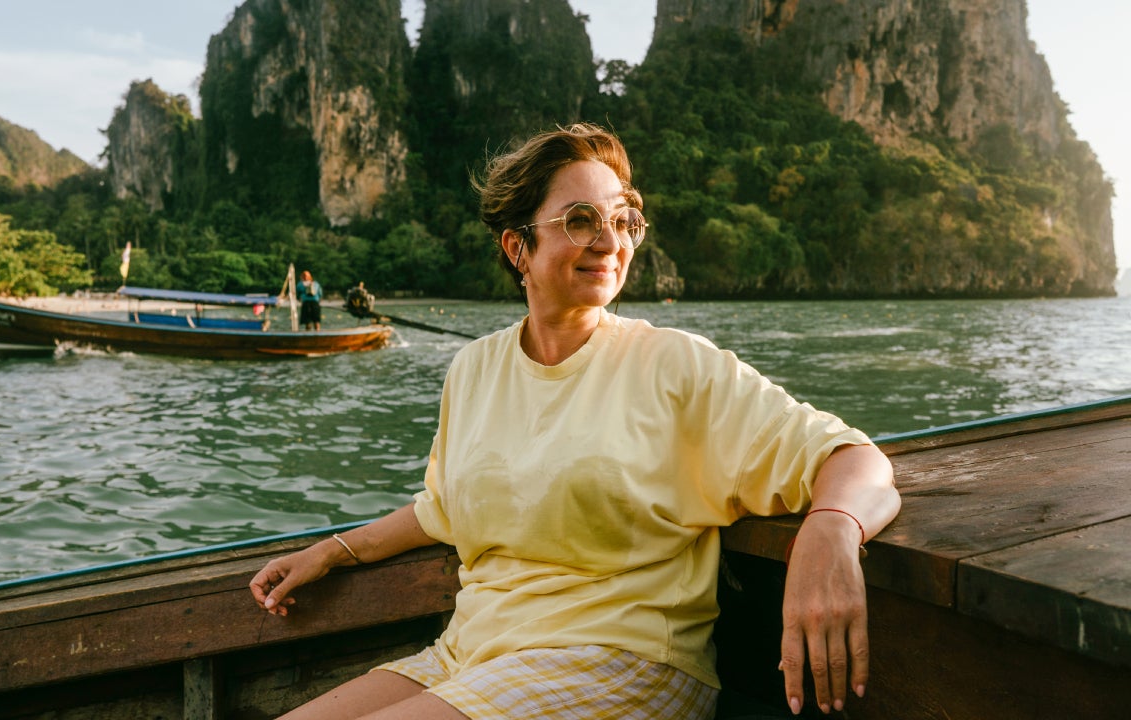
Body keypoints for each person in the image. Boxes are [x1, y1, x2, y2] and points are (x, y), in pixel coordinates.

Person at [250, 123, 901, 719]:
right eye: (581, 220)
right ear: (518, 247)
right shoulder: (475, 369)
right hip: (470, 654)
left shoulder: (671, 365)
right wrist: (332, 551)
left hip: (626, 660)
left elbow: (853, 458)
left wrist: (831, 533)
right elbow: (444, 508)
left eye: (623, 220)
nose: (610, 241)